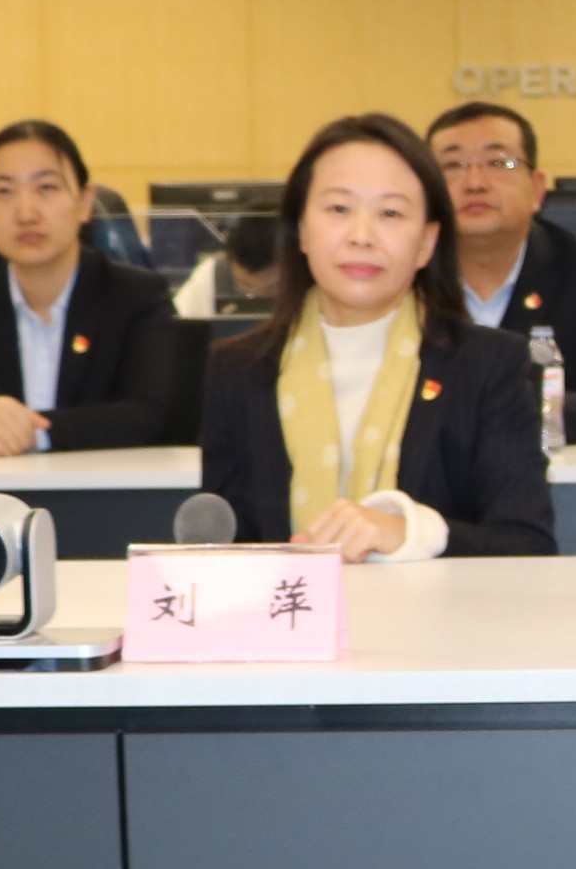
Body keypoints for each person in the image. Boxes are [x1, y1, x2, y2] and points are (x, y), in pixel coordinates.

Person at [200, 113, 554, 559]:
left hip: (440, 607)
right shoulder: (238, 369)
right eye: (338, 209)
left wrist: (412, 534)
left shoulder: (488, 363)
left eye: (390, 213)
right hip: (292, 606)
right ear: (302, 229)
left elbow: (527, 546)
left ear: (426, 243)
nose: (361, 236)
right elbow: (225, 552)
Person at [0, 120, 179, 457]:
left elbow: (146, 414)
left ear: (84, 203)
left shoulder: (135, 295)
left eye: (46, 187)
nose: (26, 213)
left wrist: (28, 433)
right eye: (3, 192)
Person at [423, 100, 576, 444]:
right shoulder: (402, 279)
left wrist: (515, 415)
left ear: (536, 189)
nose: (474, 182)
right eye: (452, 165)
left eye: (499, 162)